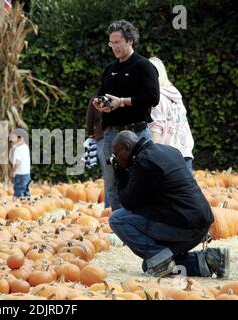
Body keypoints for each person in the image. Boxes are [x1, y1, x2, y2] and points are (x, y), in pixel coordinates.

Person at [109, 131, 229, 278]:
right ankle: (211, 261)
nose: (116, 159)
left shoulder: (144, 161)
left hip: (185, 226)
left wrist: (119, 173)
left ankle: (162, 264)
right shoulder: (168, 150)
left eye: (116, 154)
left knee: (117, 219)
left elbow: (129, 203)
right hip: (201, 223)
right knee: (149, 265)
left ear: (126, 146)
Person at [92, 20, 160, 211]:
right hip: (111, 135)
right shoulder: (109, 69)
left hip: (136, 132)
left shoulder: (144, 66)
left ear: (130, 40)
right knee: (111, 183)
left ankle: (143, 223)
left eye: (117, 42)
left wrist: (122, 101)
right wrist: (100, 103)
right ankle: (118, 225)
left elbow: (153, 98)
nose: (114, 46)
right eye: (111, 43)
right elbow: (101, 94)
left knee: (142, 180)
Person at [148, 57, 194, 173]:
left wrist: (152, 156)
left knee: (164, 190)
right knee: (186, 190)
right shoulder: (174, 95)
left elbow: (157, 126)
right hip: (185, 150)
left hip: (167, 155)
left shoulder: (156, 98)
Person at [86, 96, 110, 207]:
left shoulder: (96, 99)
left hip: (102, 138)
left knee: (108, 175)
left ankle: (109, 208)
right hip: (120, 138)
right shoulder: (119, 94)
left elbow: (89, 121)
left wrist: (91, 133)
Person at [10, 130, 31, 198]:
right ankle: (27, 207)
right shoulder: (26, 147)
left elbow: (18, 162)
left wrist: (13, 171)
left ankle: (19, 206)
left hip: (20, 174)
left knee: (18, 194)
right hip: (27, 174)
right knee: (26, 192)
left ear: (20, 138)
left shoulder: (19, 149)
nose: (12, 140)